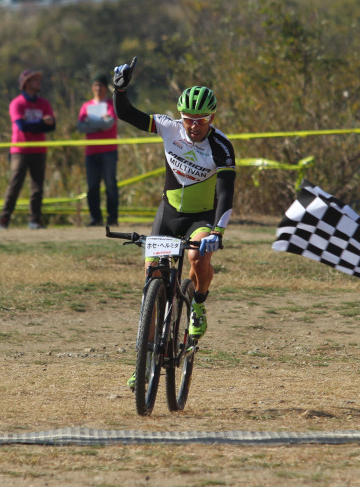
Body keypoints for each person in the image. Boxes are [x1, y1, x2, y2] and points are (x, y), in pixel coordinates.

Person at [112, 58, 236, 388]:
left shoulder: (222, 147)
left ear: (212, 118)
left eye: (201, 120)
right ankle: (145, 359)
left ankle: (198, 305)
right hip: (167, 213)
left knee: (197, 257)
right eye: (189, 119)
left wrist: (217, 233)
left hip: (201, 216)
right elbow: (126, 114)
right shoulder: (169, 128)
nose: (194, 126)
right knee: (152, 278)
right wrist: (120, 88)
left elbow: (226, 196)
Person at [0, 70, 56, 230]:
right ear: (26, 84)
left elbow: (52, 126)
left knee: (37, 187)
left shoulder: (44, 103)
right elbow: (22, 127)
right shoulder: (17, 103)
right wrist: (41, 123)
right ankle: (4, 219)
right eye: (34, 80)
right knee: (15, 185)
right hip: (20, 150)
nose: (38, 82)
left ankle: (35, 220)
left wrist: (39, 125)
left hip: (39, 150)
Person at [77, 74, 119, 227]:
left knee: (110, 184)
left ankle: (112, 218)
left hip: (109, 151)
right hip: (91, 152)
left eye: (100, 85)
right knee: (92, 186)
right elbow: (80, 126)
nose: (97, 88)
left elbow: (110, 123)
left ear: (105, 88)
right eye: (95, 85)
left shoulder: (111, 104)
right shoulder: (86, 106)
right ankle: (95, 218)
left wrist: (91, 123)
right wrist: (100, 122)